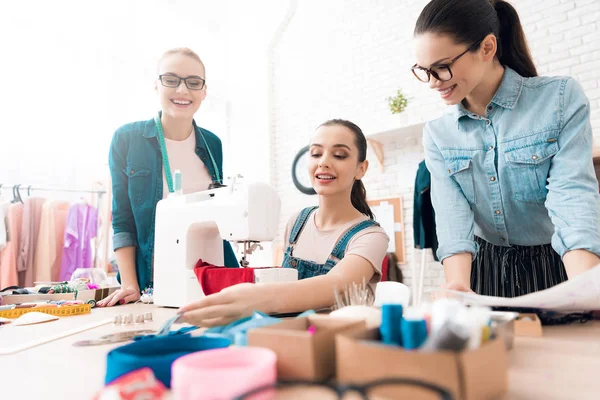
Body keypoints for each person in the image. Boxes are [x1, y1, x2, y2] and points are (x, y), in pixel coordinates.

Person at [412, 0, 600, 297]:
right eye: (424, 71)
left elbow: (572, 196)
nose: (433, 83)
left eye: (443, 67)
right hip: (485, 269)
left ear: (487, 48)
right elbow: (452, 215)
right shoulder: (438, 134)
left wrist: (586, 287)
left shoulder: (559, 99)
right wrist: (458, 285)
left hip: (558, 262)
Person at [178, 119, 389, 327]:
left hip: (339, 347)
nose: (323, 162)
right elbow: (284, 284)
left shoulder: (370, 237)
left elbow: (336, 286)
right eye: (316, 153)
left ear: (361, 169)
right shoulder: (297, 223)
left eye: (339, 155)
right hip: (289, 338)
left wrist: (254, 296)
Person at [99, 48, 238, 307]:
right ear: (156, 85)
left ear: (204, 91)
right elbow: (122, 220)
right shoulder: (127, 139)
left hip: (213, 276)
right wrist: (130, 284)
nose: (183, 91)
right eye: (171, 80)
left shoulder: (213, 144)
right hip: (153, 281)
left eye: (193, 82)